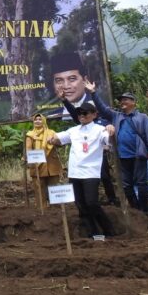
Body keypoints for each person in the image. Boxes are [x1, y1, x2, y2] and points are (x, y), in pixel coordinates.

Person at [85, 87, 148, 215]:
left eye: (125, 100)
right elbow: (102, 108)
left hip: (139, 155)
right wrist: (93, 92)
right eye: (121, 100)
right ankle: (135, 208)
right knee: (126, 184)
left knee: (141, 183)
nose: (122, 102)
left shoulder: (142, 117)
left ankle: (144, 208)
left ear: (133, 102)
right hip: (122, 156)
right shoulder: (116, 116)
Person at [50, 103, 117, 240]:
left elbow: (109, 141)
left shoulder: (100, 130)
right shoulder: (73, 130)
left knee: (92, 203)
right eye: (80, 113)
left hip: (91, 173)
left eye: (85, 113)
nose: (82, 116)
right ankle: (94, 233)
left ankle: (109, 230)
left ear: (94, 114)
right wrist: (52, 139)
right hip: (74, 173)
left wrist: (111, 130)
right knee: (80, 205)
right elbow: (58, 138)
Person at [24, 113, 63, 208]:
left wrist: (53, 141)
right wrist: (27, 160)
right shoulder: (30, 135)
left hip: (52, 165)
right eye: (35, 119)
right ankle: (42, 210)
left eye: (40, 119)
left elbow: (60, 144)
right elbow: (27, 150)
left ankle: (56, 210)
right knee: (39, 189)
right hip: (37, 165)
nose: (37, 121)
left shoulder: (52, 133)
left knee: (54, 188)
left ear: (44, 121)